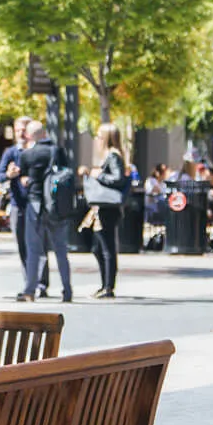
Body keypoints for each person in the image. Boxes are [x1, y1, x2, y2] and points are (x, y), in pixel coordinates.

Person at [16, 121, 72, 302]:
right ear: (45, 133)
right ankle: (67, 290)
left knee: (34, 250)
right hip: (56, 206)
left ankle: (30, 290)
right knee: (61, 250)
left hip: (35, 205)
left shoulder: (27, 155)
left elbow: (23, 178)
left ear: (29, 135)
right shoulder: (57, 151)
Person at [85, 123, 128, 298]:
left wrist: (99, 175)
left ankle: (108, 286)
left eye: (99, 136)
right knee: (97, 247)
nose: (96, 140)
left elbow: (118, 179)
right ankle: (105, 284)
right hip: (103, 207)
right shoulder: (110, 156)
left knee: (107, 247)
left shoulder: (113, 156)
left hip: (108, 208)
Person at [0, 116, 36, 281]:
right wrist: (8, 174)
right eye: (17, 130)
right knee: (21, 245)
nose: (20, 133)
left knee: (37, 245)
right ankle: (29, 282)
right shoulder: (11, 152)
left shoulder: (37, 151)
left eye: (23, 130)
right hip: (17, 204)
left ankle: (41, 283)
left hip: (35, 204)